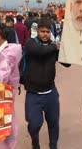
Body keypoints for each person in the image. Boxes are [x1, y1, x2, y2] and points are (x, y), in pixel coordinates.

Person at [23, 18, 70, 149]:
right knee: (34, 125)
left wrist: (67, 49)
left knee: (54, 123)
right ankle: (35, 141)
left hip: (51, 93)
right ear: (37, 31)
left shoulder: (53, 46)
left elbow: (67, 64)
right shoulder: (30, 44)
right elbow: (40, 51)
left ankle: (53, 145)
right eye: (43, 31)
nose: (45, 34)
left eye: (48, 32)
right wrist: (55, 46)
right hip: (33, 94)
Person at [0, 23, 22, 149]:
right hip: (3, 94)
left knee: (1, 129)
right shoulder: (1, 51)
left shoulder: (7, 54)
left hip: (2, 95)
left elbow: (1, 76)